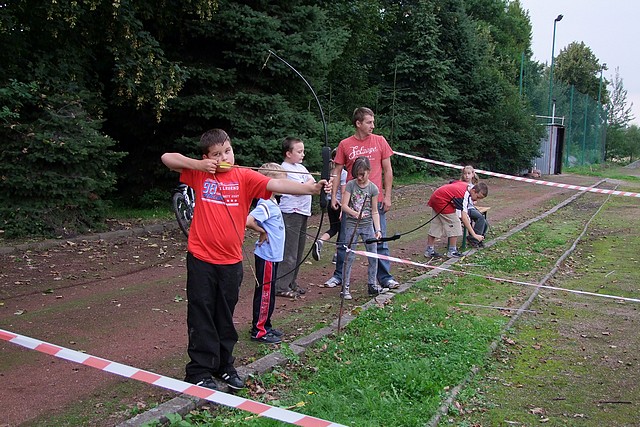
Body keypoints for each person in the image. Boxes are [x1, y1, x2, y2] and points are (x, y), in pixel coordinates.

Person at [161, 129, 328, 391]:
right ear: (207, 157)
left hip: (231, 261)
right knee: (201, 314)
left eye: (227, 151)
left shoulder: (244, 176)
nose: (224, 157)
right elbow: (167, 158)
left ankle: (224, 365)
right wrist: (199, 166)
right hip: (201, 258)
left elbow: (276, 185)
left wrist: (311, 188)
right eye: (217, 154)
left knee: (225, 315)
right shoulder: (200, 174)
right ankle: (199, 370)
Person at [324, 107, 400, 290]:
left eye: (373, 122)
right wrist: (333, 196)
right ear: (358, 123)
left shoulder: (380, 141)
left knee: (379, 239)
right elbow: (337, 171)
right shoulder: (345, 144)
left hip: (374, 201)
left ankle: (384, 277)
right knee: (345, 241)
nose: (373, 125)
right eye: (369, 122)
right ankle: (340, 276)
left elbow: (388, 170)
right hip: (351, 204)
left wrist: (388, 196)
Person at [245, 163, 287, 345]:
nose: (284, 185)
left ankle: (265, 325)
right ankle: (259, 331)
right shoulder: (266, 204)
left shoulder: (273, 202)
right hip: (267, 256)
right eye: (281, 182)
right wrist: (262, 231)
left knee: (268, 293)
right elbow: (248, 220)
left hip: (272, 256)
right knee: (265, 293)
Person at [341, 157, 386, 299]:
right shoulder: (351, 185)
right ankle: (345, 288)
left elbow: (375, 211)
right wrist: (355, 214)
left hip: (367, 226)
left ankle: (372, 285)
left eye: (362, 174)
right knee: (349, 256)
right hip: (352, 225)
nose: (359, 178)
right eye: (357, 174)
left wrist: (378, 230)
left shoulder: (373, 188)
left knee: (373, 256)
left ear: (369, 171)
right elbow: (344, 205)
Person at [277, 137, 315, 298]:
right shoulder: (283, 169)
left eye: (303, 151)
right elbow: (297, 189)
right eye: (299, 151)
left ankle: (291, 282)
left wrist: (308, 186)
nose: (302, 154)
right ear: (288, 153)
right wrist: (306, 186)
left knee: (299, 250)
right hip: (291, 213)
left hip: (303, 212)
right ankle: (281, 286)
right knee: (290, 251)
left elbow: (312, 182)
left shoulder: (301, 167)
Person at [424, 181, 489, 259]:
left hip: (437, 197)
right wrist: (474, 235)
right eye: (478, 197)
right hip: (441, 201)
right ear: (473, 191)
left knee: (437, 224)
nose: (477, 200)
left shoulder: (468, 186)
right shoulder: (464, 195)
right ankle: (452, 251)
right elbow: (464, 218)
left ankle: (429, 250)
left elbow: (453, 182)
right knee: (455, 224)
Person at [312, 148, 348, 262]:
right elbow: (343, 191)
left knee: (333, 228)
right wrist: (343, 207)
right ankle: (337, 255)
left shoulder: (328, 173)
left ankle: (320, 241)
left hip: (329, 203)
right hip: (339, 204)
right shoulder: (343, 173)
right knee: (342, 230)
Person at [458, 165, 489, 248]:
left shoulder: (474, 186)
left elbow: (474, 199)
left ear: (473, 174)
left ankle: (480, 238)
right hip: (465, 208)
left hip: (471, 207)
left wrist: (474, 200)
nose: (466, 176)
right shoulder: (461, 185)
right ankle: (474, 239)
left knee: (485, 222)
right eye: (465, 173)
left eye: (468, 173)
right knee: (481, 218)